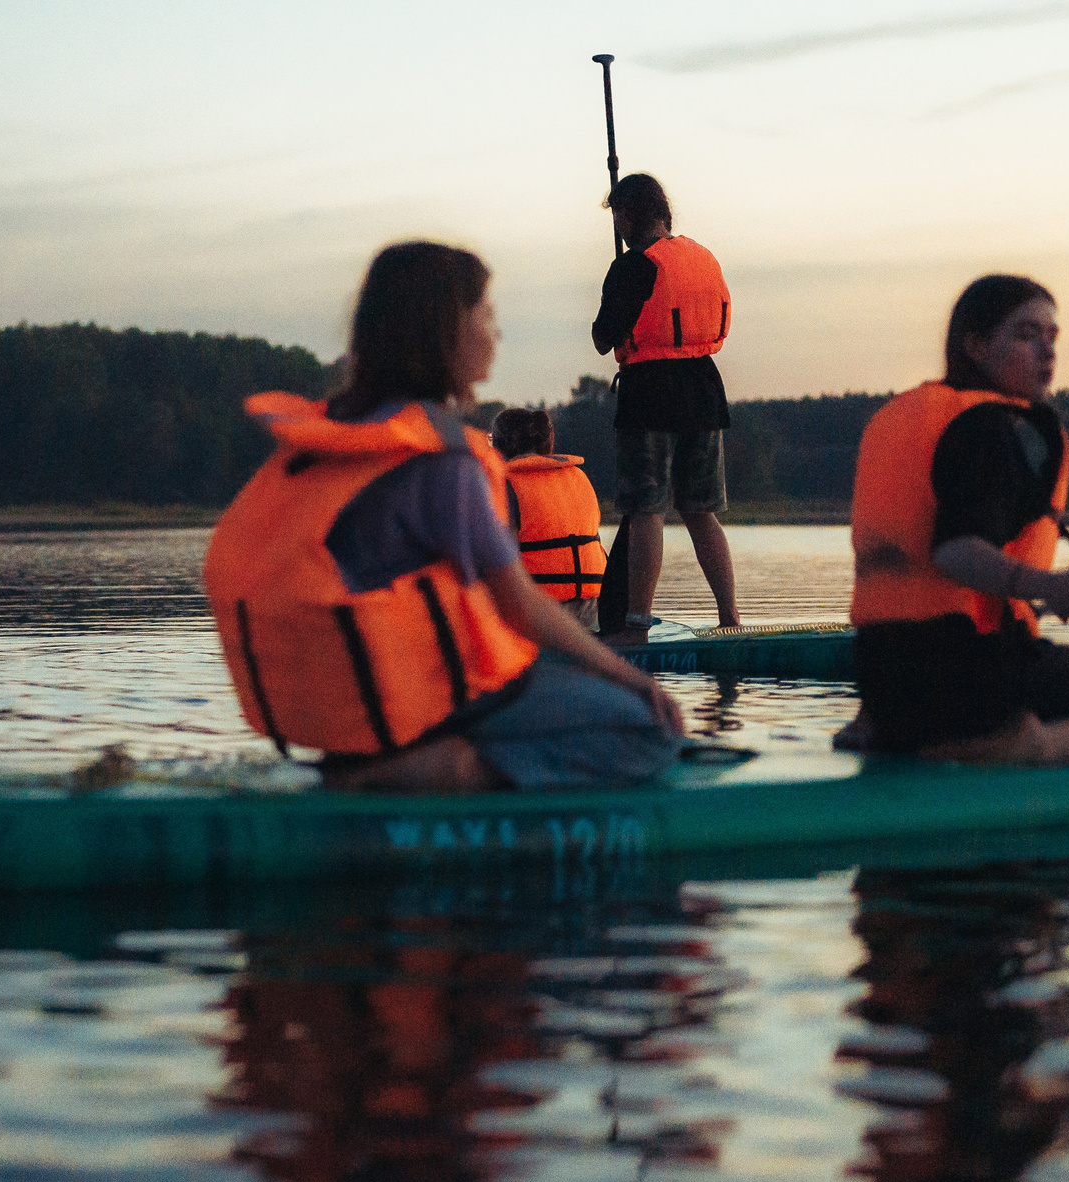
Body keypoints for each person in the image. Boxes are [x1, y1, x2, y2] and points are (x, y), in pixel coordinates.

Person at [203, 240, 684, 794]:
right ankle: (445, 768)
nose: (496, 333)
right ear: (447, 330)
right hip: (426, 696)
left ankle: (376, 757)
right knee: (650, 731)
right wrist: (634, 678)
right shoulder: (441, 458)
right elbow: (520, 604)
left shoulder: (333, 437)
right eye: (486, 314)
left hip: (346, 706)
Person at [847, 275, 1069, 762]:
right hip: (965, 672)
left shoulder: (906, 416)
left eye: (1052, 337)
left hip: (881, 677)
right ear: (975, 346)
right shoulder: (991, 426)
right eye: (1026, 335)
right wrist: (1053, 586)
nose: (1047, 351)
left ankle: (889, 728)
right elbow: (955, 551)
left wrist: (1044, 600)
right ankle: (1031, 743)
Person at [588, 173, 740, 638]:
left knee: (646, 509)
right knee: (700, 510)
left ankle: (636, 624)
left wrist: (615, 292)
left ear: (630, 215)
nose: (617, 227)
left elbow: (603, 338)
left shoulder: (634, 266)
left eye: (618, 216)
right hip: (704, 391)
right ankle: (730, 618)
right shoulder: (702, 257)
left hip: (650, 395)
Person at [488, 406, 606, 619]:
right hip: (594, 608)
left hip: (539, 613)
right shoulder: (578, 477)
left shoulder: (506, 485)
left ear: (498, 445)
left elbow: (501, 565)